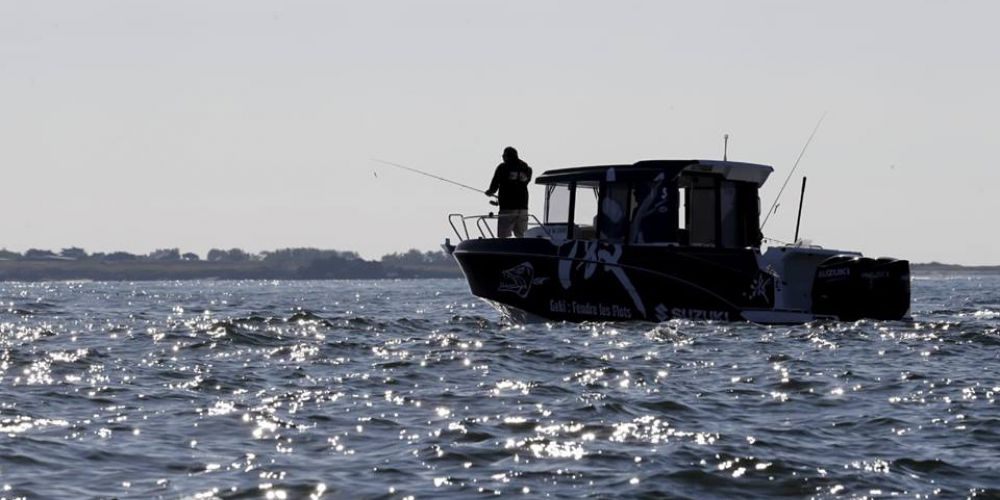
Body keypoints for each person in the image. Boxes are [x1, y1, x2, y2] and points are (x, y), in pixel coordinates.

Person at [485, 146, 532, 238]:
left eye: (503, 155)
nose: (502, 157)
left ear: (507, 156)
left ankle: (503, 251)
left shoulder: (502, 167)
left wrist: (490, 192)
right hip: (523, 208)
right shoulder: (527, 169)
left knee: (503, 237)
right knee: (522, 236)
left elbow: (494, 186)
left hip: (508, 207)